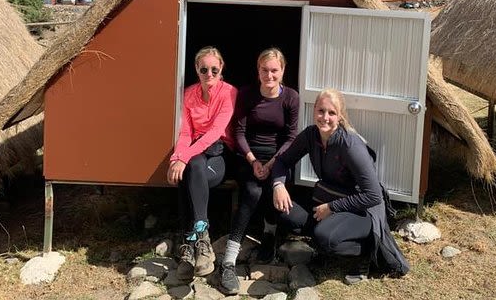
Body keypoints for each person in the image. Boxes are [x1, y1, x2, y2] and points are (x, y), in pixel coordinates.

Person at [270, 89, 410, 284]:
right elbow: (282, 161)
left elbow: (374, 196)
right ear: (314, 111)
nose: (325, 117)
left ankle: (366, 251)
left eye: (331, 113)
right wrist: (278, 185)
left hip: (363, 210)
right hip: (329, 198)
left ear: (340, 115)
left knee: (324, 237)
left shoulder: (350, 145)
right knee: (287, 214)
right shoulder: (311, 135)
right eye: (320, 111)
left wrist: (332, 208)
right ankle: (329, 239)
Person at [219, 48, 299, 295]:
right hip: (249, 155)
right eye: (264, 70)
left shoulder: (291, 98)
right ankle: (229, 260)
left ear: (282, 71)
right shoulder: (247, 94)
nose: (269, 75)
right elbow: (239, 132)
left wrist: (274, 162)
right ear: (258, 70)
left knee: (272, 189)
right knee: (253, 192)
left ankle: (269, 235)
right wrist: (253, 160)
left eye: (274, 70)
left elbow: (291, 136)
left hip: (279, 157)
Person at [167, 46, 237, 281]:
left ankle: (188, 242)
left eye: (214, 69)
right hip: (196, 155)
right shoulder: (189, 94)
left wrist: (182, 159)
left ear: (221, 69)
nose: (209, 74)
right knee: (192, 169)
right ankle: (201, 236)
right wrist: (178, 157)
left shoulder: (229, 93)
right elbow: (186, 133)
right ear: (196, 69)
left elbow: (215, 132)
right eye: (204, 69)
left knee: (189, 173)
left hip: (218, 154)